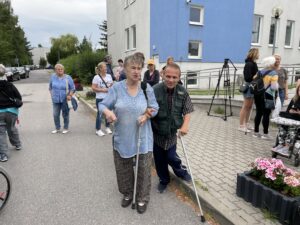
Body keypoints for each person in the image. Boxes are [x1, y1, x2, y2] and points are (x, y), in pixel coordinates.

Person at [98, 54, 159, 214]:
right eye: (133, 67)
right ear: (125, 69)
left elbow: (154, 107)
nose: (136, 71)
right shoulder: (116, 88)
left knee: (144, 170)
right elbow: (102, 104)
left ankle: (142, 198)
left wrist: (146, 116)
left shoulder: (146, 88)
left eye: (139, 68)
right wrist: (108, 112)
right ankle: (127, 193)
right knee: (123, 168)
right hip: (123, 137)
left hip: (143, 137)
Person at [151, 63, 194, 193]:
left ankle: (181, 171)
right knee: (159, 160)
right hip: (156, 132)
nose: (170, 80)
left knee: (171, 156)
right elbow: (147, 107)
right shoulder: (154, 90)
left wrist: (185, 126)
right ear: (163, 75)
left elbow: (187, 110)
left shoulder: (183, 92)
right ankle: (164, 180)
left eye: (174, 77)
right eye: (168, 76)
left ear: (179, 78)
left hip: (172, 133)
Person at [0, 64, 22, 162]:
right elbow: (19, 97)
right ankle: (17, 144)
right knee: (11, 128)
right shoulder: (10, 85)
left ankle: (4, 155)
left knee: (1, 133)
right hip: (12, 111)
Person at [253, 56, 278, 139]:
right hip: (267, 95)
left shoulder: (260, 71)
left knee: (258, 113)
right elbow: (274, 87)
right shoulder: (273, 73)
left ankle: (256, 132)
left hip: (257, 94)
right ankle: (265, 134)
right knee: (266, 114)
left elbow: (254, 79)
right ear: (271, 63)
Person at [272, 85, 300, 155]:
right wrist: (291, 111)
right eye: (299, 90)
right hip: (291, 119)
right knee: (282, 127)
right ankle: (281, 144)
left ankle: (287, 147)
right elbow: (288, 111)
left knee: (292, 128)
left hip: (298, 123)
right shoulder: (294, 99)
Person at [49, 64, 75, 134]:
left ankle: (66, 128)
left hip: (65, 99)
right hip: (55, 99)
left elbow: (73, 88)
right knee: (55, 114)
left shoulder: (68, 77)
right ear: (55, 70)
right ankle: (57, 128)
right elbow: (50, 88)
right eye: (58, 69)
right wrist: (52, 95)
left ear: (63, 70)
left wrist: (70, 95)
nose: (60, 71)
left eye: (61, 69)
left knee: (65, 114)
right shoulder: (53, 77)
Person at [238, 48, 259, 132]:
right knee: (245, 106)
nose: (259, 55)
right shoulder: (249, 64)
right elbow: (247, 78)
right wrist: (257, 75)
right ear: (254, 54)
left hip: (253, 86)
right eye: (258, 53)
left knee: (250, 107)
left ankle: (246, 124)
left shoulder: (253, 63)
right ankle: (241, 125)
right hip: (249, 86)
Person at [92, 62, 113, 136]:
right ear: (100, 69)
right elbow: (93, 88)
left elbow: (111, 84)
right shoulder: (96, 77)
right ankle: (98, 130)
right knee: (100, 114)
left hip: (108, 98)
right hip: (100, 98)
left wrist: (110, 87)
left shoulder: (109, 76)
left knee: (108, 113)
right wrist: (102, 90)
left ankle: (107, 127)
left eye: (106, 67)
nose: (106, 68)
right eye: (104, 67)